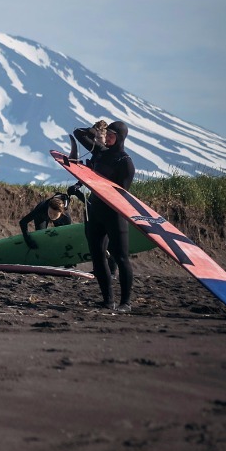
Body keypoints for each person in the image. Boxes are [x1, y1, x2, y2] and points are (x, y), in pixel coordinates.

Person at [72, 119, 136, 312]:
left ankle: (126, 303)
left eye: (111, 135)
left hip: (114, 213)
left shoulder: (125, 162)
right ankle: (108, 300)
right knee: (97, 256)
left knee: (121, 257)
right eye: (106, 134)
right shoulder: (100, 152)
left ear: (120, 138)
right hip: (94, 210)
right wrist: (95, 130)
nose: (107, 138)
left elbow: (121, 193)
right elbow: (78, 133)